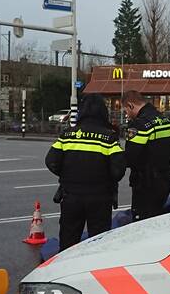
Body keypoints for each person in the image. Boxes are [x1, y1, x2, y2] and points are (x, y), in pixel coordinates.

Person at [46, 95, 125, 250]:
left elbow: (50, 161)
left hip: (71, 196)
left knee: (68, 241)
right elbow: (118, 171)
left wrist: (67, 176)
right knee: (98, 244)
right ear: (103, 112)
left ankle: (67, 271)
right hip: (100, 198)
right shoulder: (108, 137)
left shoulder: (68, 134)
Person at [122, 90, 170, 221]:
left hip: (145, 184)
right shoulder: (165, 120)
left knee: (142, 224)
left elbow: (130, 157)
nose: (127, 115)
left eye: (126, 111)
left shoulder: (139, 125)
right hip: (164, 180)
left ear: (130, 105)